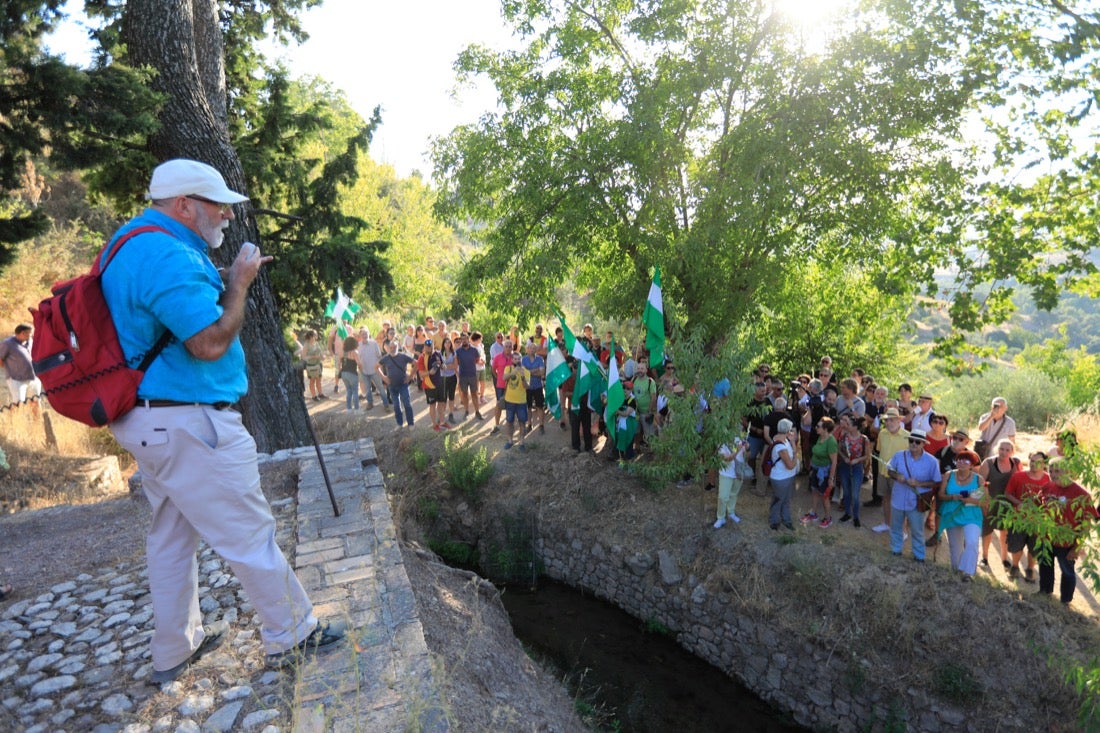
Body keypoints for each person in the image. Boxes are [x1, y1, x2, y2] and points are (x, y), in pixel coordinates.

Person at [99, 159, 343, 681]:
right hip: (190, 424)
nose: (228, 215)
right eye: (218, 204)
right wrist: (239, 282)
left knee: (170, 536)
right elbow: (208, 341)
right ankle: (291, 635)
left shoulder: (130, 242)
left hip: (153, 421)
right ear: (184, 205)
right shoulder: (164, 254)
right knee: (248, 531)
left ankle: (174, 649)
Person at [1040, 459, 1099, 604]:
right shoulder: (1048, 487)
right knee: (1045, 566)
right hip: (1047, 537)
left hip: (1067, 541)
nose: (1053, 474)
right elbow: (1038, 506)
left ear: (1067, 471)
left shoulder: (1081, 494)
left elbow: (1086, 525)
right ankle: (1044, 593)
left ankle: (1065, 601)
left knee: (1067, 571)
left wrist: (1076, 547)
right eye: (1050, 471)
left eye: (1057, 471)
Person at [886, 429, 942, 562]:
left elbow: (936, 482)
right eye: (911, 440)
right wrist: (896, 475)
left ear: (923, 444)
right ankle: (895, 551)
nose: (914, 444)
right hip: (898, 498)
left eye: (917, 442)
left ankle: (919, 556)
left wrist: (919, 483)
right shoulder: (899, 456)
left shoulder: (932, 461)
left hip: (917, 502)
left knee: (917, 530)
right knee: (896, 527)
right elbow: (890, 471)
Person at [936, 449, 985, 580]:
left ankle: (968, 574)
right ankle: (956, 573)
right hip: (952, 513)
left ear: (972, 464)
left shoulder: (979, 479)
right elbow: (941, 494)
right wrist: (953, 497)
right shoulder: (948, 475)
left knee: (972, 542)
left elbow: (986, 501)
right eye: (959, 459)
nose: (962, 462)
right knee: (955, 548)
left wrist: (969, 500)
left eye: (966, 460)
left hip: (972, 514)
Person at [1003, 451, 1051, 582]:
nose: (1033, 464)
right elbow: (1007, 493)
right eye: (1032, 461)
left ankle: (1030, 569)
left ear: (1044, 464)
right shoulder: (1018, 476)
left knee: (1034, 547)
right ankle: (1015, 566)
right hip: (1018, 518)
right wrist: (1019, 503)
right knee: (1015, 544)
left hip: (1038, 521)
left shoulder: (1048, 479)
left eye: (1037, 462)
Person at [978, 438, 1020, 571]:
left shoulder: (1015, 463)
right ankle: (984, 557)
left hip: (1007, 503)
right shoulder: (988, 462)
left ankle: (1004, 559)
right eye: (1002, 449)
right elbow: (980, 482)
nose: (1004, 452)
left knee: (1005, 531)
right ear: (997, 449)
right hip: (989, 500)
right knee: (987, 530)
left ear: (1012, 451)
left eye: (1007, 450)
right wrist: (985, 500)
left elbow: (1018, 483)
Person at [873, 407, 909, 528]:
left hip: (898, 476)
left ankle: (902, 530)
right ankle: (887, 523)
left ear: (899, 421)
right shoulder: (882, 433)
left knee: (900, 503)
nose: (889, 423)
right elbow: (879, 450)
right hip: (883, 472)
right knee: (885, 499)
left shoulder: (907, 437)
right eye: (887, 420)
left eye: (892, 420)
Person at [802, 417, 838, 528]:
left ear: (825, 429)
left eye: (818, 426)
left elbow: (834, 462)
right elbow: (816, 453)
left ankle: (828, 518)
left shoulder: (831, 442)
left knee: (825, 496)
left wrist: (831, 478)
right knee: (814, 492)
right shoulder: (820, 437)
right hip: (816, 470)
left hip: (825, 473)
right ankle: (813, 513)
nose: (816, 428)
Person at [836, 414, 871, 527]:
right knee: (846, 491)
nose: (847, 426)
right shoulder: (844, 437)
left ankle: (855, 516)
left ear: (855, 427)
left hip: (857, 467)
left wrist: (857, 460)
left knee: (855, 493)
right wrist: (844, 457)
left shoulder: (864, 439)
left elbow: (867, 455)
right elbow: (839, 449)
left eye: (849, 424)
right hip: (845, 466)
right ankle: (847, 513)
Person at [0, 324, 42, 412]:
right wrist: (12, 368)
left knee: (36, 402)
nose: (32, 335)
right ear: (23, 333)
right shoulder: (7, 343)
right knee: (18, 404)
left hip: (33, 377)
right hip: (16, 379)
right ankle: (13, 423)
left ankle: (37, 424)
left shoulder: (29, 340)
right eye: (30, 333)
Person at [768, 419, 799, 531]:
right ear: (787, 430)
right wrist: (795, 456)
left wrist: (792, 442)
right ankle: (775, 521)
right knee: (779, 500)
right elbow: (790, 465)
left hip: (786, 476)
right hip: (781, 477)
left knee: (785, 499)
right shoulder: (780, 446)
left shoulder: (780, 439)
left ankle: (785, 519)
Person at [379, 339, 416, 428]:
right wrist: (384, 377)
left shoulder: (403, 356)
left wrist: (410, 376)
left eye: (394, 347)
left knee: (407, 403)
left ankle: (410, 423)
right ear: (388, 348)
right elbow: (376, 367)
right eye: (391, 347)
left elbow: (416, 363)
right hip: (392, 385)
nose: (392, 349)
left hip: (403, 384)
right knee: (396, 406)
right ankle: (399, 424)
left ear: (398, 347)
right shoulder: (386, 358)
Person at [715, 438, 747, 528]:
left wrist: (747, 448)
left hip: (738, 472)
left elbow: (746, 456)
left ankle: (731, 513)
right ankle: (720, 517)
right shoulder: (721, 440)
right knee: (723, 497)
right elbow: (727, 458)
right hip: (726, 473)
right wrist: (737, 450)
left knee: (733, 494)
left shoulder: (740, 438)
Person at [502, 349, 530, 451]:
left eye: (519, 359)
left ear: (521, 360)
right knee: (509, 421)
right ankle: (510, 441)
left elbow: (527, 387)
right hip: (509, 400)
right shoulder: (508, 368)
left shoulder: (526, 371)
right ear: (512, 360)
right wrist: (512, 373)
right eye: (515, 359)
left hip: (521, 401)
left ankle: (521, 442)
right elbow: (503, 378)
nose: (517, 360)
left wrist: (522, 377)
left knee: (522, 422)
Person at [357, 328, 389, 411]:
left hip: (374, 370)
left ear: (369, 334)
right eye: (363, 334)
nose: (364, 335)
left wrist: (379, 367)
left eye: (366, 333)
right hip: (364, 371)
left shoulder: (374, 343)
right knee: (368, 389)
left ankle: (386, 404)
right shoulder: (358, 345)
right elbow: (357, 358)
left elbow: (379, 356)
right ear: (360, 335)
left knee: (380, 388)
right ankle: (370, 403)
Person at [455, 333, 484, 420]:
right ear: (461, 340)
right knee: (464, 394)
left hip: (472, 375)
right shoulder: (458, 351)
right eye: (462, 339)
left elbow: (477, 360)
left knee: (474, 394)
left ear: (468, 339)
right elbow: (457, 362)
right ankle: (466, 411)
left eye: (465, 339)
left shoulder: (474, 350)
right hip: (463, 375)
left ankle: (477, 411)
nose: (464, 341)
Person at [521, 340, 546, 434]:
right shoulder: (523, 359)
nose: (532, 350)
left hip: (538, 386)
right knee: (528, 407)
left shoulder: (540, 359)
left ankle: (541, 425)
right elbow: (523, 373)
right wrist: (536, 371)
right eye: (530, 348)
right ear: (527, 349)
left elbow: (542, 373)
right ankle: (529, 425)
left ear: (536, 350)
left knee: (540, 407)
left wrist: (529, 372)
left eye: (534, 348)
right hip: (527, 387)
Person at [299, 330, 325, 401]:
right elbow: (303, 357)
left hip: (318, 364)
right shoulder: (306, 345)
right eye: (315, 335)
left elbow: (320, 352)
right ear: (311, 336)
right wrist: (313, 357)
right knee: (312, 380)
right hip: (311, 365)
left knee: (319, 380)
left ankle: (320, 393)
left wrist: (322, 356)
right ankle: (314, 396)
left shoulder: (316, 343)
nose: (316, 336)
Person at [439, 336, 459, 423]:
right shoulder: (440, 353)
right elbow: (439, 365)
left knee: (451, 397)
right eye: (446, 342)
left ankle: (451, 414)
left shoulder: (453, 353)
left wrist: (446, 366)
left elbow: (455, 366)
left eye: (449, 342)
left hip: (452, 378)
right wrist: (448, 366)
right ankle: (442, 416)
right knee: (443, 398)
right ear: (443, 344)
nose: (448, 344)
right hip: (443, 378)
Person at [339, 335, 361, 411]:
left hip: (343, 373)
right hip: (352, 373)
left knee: (348, 391)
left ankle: (348, 409)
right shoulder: (354, 352)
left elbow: (338, 364)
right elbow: (359, 363)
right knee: (355, 391)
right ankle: (357, 409)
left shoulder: (342, 352)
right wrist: (361, 370)